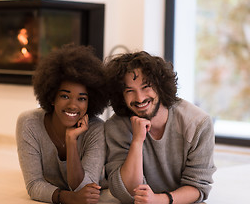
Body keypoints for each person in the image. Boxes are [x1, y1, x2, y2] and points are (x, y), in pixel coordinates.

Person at [104, 51, 216, 204]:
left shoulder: (198, 123)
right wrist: (137, 141)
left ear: (160, 85)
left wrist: (159, 200)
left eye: (146, 86)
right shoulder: (116, 126)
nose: (140, 98)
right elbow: (126, 191)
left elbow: (198, 187)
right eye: (129, 91)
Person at [16, 44, 109, 204]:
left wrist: (71, 140)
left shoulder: (96, 129)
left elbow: (85, 189)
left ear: (90, 102)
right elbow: (33, 185)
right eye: (65, 96)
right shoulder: (29, 123)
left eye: (81, 98)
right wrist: (69, 198)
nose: (73, 105)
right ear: (52, 97)